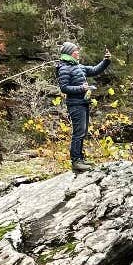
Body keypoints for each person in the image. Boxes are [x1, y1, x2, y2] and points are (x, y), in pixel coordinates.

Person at [56, 40, 112, 171]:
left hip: (83, 103)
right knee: (78, 133)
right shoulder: (64, 68)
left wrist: (106, 61)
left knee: (83, 132)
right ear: (70, 53)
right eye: (76, 51)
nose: (78, 53)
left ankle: (80, 158)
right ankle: (76, 162)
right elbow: (64, 88)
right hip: (75, 104)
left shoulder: (79, 66)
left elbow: (94, 70)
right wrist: (82, 88)